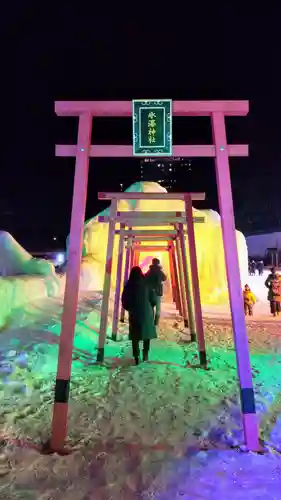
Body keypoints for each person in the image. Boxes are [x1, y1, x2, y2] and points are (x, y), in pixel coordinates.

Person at [121, 266, 157, 365]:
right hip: (147, 313)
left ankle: (136, 356)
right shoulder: (147, 284)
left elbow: (124, 301)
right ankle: (145, 354)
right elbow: (153, 299)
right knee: (147, 334)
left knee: (135, 336)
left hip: (134, 313)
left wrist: (130, 308)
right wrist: (150, 307)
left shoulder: (128, 285)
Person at [145, 258, 167, 326]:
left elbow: (145, 278)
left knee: (151, 306)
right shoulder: (160, 271)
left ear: (152, 262)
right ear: (158, 263)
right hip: (158, 292)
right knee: (158, 307)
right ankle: (156, 322)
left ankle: (151, 320)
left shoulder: (149, 271)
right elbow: (164, 278)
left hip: (150, 291)